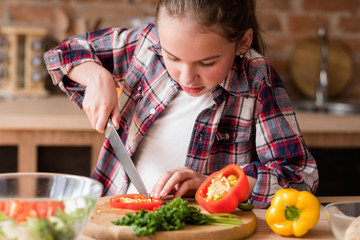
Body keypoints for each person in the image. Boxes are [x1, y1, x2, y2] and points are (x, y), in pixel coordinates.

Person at [44, 0, 318, 208]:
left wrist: (218, 184)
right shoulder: (145, 45)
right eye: (172, 57)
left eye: (206, 62)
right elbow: (62, 53)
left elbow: (299, 177)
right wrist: (95, 75)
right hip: (116, 214)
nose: (186, 77)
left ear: (242, 42)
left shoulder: (257, 79)